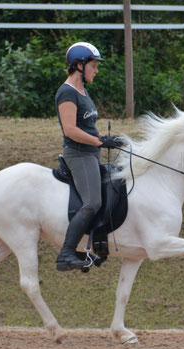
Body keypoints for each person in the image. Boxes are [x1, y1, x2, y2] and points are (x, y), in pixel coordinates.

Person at [54, 42, 123, 271]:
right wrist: (99, 141)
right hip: (78, 154)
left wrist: (106, 139)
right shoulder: (66, 92)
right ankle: (66, 254)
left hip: (92, 153)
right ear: (79, 65)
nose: (96, 71)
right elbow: (71, 130)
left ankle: (97, 246)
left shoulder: (83, 91)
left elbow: (89, 127)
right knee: (92, 202)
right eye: (93, 66)